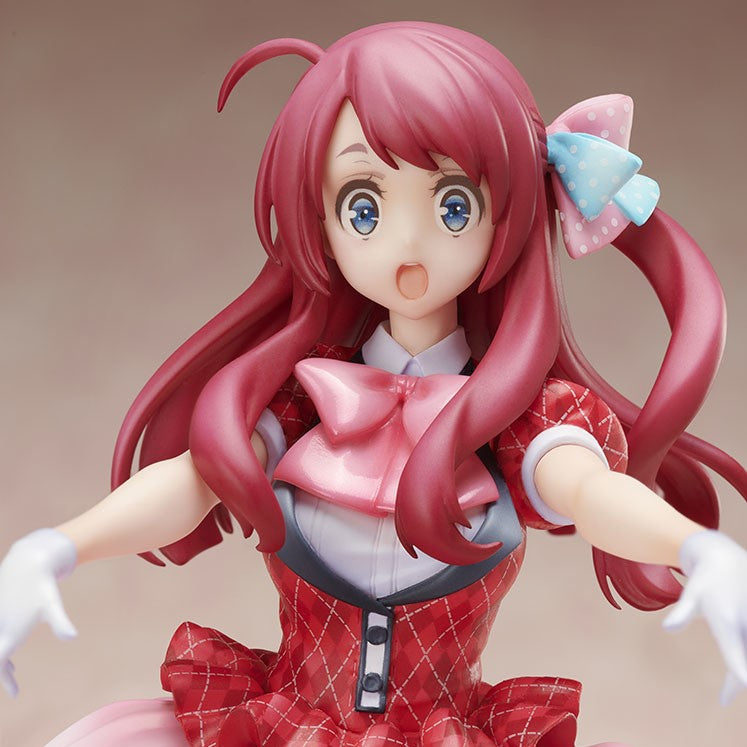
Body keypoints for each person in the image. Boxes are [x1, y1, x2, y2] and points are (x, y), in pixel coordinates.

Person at [1, 21, 745, 747]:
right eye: (364, 207)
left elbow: (589, 492)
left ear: (505, 216)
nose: (407, 244)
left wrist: (692, 547)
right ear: (320, 221)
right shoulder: (302, 397)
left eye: (453, 206)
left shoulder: (520, 418)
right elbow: (196, 480)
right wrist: (59, 546)